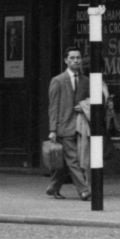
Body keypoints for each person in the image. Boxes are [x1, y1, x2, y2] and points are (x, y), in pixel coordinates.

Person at [44, 47, 86, 200]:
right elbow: (53, 106)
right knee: (73, 159)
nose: (76, 60)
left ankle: (53, 187)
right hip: (64, 127)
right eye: (73, 58)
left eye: (78, 58)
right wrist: (53, 129)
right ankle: (84, 190)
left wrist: (84, 106)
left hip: (81, 127)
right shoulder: (58, 81)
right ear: (66, 61)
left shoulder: (85, 81)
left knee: (63, 160)